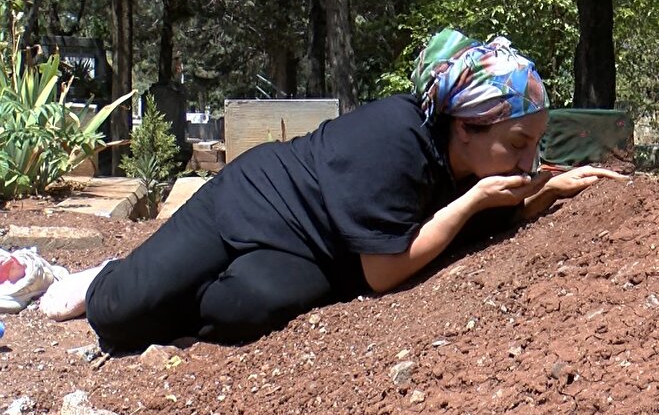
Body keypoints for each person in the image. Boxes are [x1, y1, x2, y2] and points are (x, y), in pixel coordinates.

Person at [39, 29, 623, 352]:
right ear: (466, 125)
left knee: (246, 310)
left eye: (537, 144)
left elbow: (478, 223)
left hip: (320, 250)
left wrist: (543, 195)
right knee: (121, 316)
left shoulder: (467, 159)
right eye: (519, 142)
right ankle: (113, 276)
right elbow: (384, 275)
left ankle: (167, 291)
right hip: (256, 202)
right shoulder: (394, 139)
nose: (530, 159)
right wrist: (474, 201)